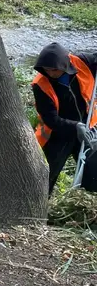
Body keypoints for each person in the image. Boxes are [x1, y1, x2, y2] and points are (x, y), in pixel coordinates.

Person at [31, 42, 97, 194]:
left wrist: (84, 127)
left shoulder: (83, 63)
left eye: (55, 70)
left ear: (65, 64)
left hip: (88, 128)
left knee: (93, 171)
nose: (51, 74)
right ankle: (39, 207)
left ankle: (87, 202)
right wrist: (75, 126)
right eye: (47, 70)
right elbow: (50, 118)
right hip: (58, 134)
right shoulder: (40, 85)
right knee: (46, 175)